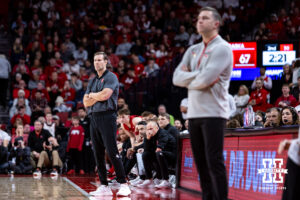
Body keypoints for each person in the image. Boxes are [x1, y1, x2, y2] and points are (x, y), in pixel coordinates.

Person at [173, 7, 232, 200]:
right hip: (194, 113)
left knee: (214, 161)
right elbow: (176, 78)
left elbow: (203, 81)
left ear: (216, 23)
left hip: (214, 113)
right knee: (201, 164)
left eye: (205, 18)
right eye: (198, 18)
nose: (199, 21)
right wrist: (199, 76)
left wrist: (195, 78)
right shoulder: (193, 49)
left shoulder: (222, 48)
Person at [83, 52, 131, 196]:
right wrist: (94, 97)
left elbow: (106, 95)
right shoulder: (92, 80)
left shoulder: (111, 77)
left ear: (105, 62)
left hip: (107, 116)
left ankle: (123, 183)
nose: (97, 62)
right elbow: (85, 102)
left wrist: (93, 95)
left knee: (112, 151)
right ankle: (104, 185)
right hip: (94, 117)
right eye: (95, 60)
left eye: (99, 60)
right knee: (97, 153)